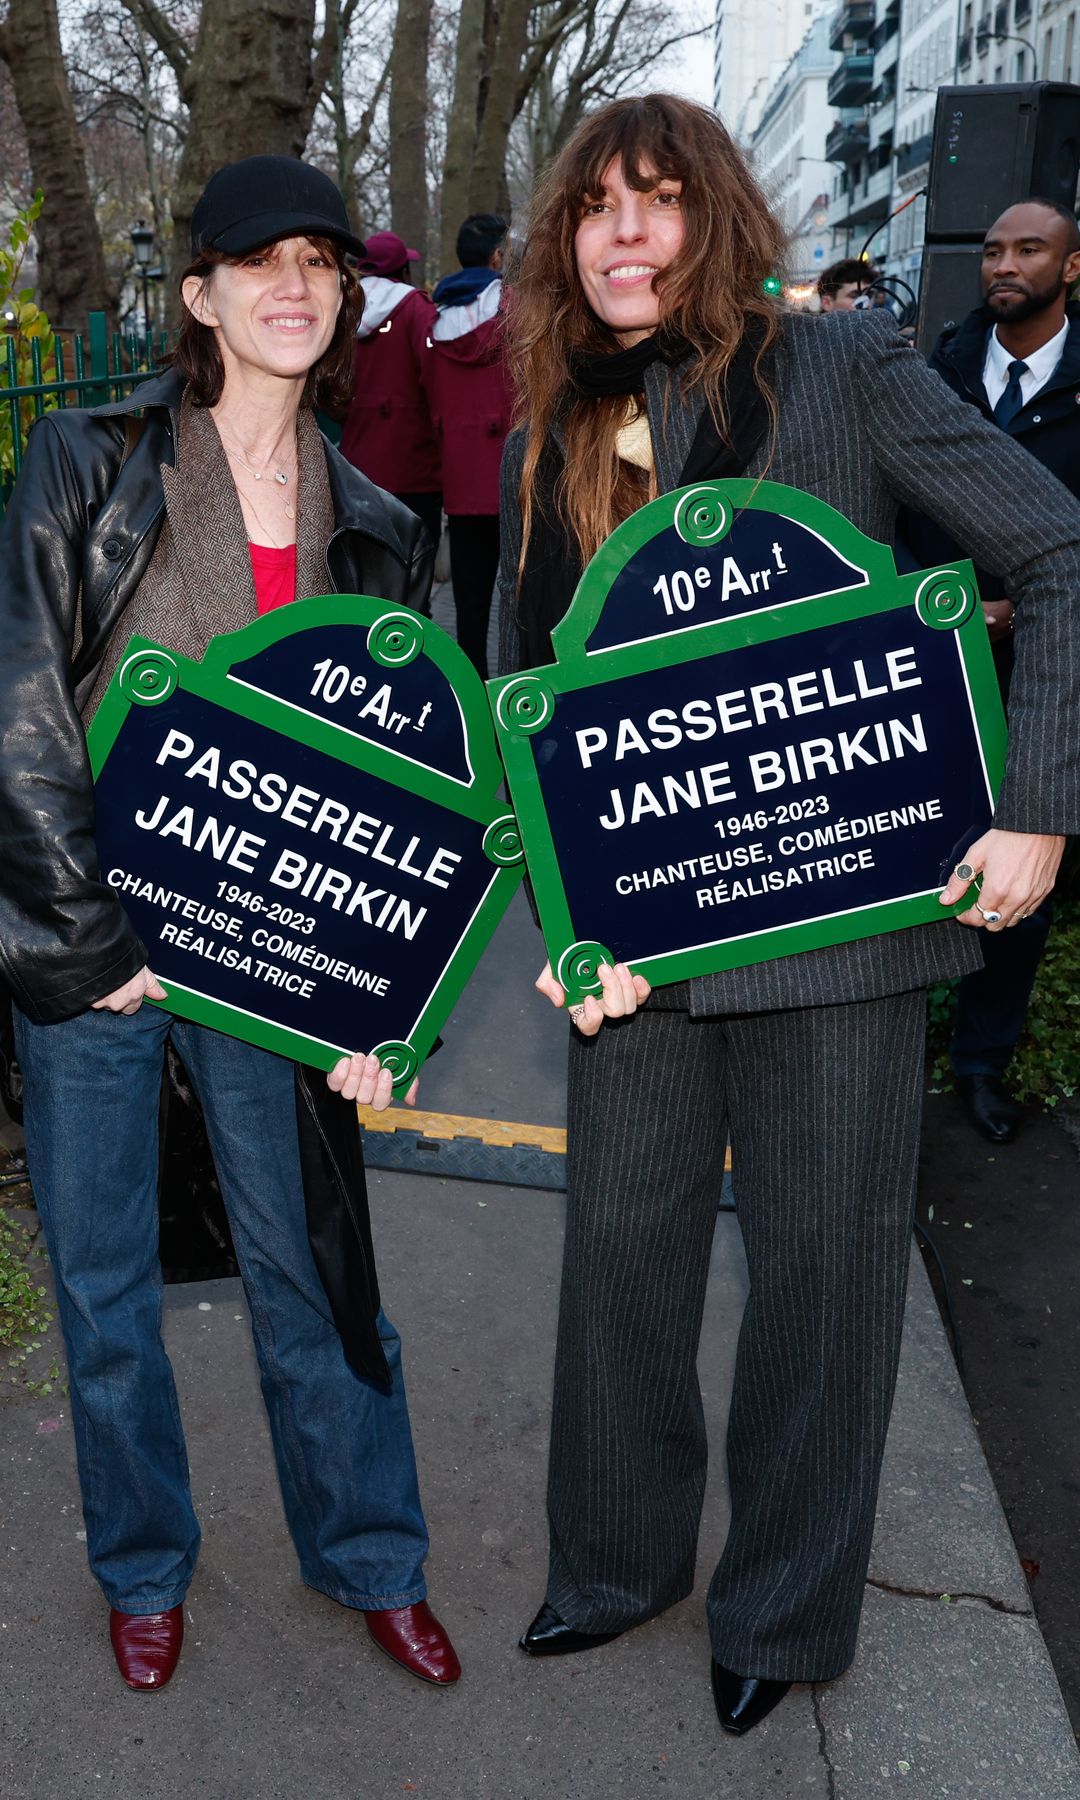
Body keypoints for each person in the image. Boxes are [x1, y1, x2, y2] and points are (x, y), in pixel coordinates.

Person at [498, 94, 1078, 1736]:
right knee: (616, 1259)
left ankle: (784, 1612)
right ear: (566, 234)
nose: (625, 234)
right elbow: (524, 694)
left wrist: (1038, 804)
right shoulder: (543, 421)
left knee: (824, 1287)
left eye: (659, 203)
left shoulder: (841, 368)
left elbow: (1061, 545)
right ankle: (615, 1566)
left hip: (844, 932)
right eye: (598, 205)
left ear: (715, 219)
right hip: (645, 948)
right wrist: (559, 918)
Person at [0, 155, 460, 1694]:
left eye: (321, 262)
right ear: (196, 294)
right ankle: (142, 1565)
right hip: (103, 960)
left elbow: (404, 791)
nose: (294, 283)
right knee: (107, 1283)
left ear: (344, 302)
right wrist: (90, 939)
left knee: (313, 1267)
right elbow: (18, 712)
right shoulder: (87, 460)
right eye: (257, 260)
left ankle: (372, 1555)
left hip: (284, 967)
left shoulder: (382, 517)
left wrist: (389, 1001)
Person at [901, 197, 1080, 1144]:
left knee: (1019, 891)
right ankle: (897, 1051)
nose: (1004, 264)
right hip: (928, 672)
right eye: (994, 250)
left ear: (1072, 267)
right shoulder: (931, 373)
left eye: (1029, 249)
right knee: (902, 860)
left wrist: (1023, 608)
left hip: (1042, 677)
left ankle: (980, 1064)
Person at [429, 213, 513, 676]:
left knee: (469, 599)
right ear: (497, 256)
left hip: (461, 478)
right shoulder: (518, 309)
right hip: (514, 472)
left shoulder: (433, 318)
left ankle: (471, 691)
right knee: (521, 598)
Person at [339, 229, 442, 555]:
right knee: (415, 570)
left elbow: (327, 388)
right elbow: (434, 379)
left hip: (356, 465)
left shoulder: (342, 313)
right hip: (414, 466)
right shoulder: (417, 309)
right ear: (402, 270)